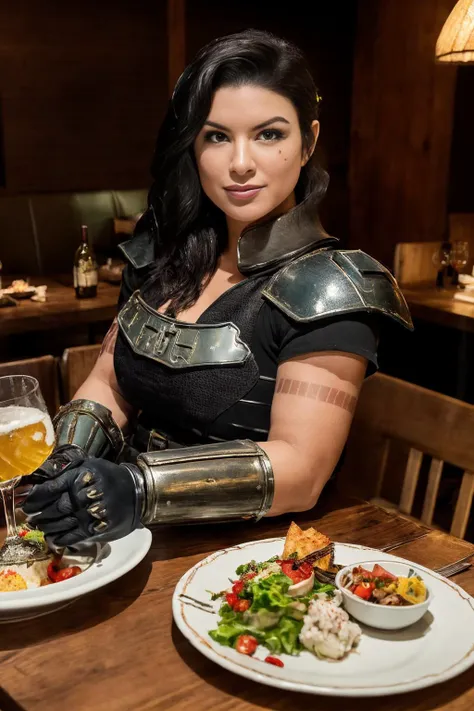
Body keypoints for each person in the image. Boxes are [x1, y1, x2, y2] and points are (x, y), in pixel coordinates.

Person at [23, 29, 412, 547]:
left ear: (309, 142)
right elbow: (108, 381)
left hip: (241, 559)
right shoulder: (164, 253)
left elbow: (301, 471)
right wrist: (68, 458)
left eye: (269, 134)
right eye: (217, 136)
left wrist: (138, 488)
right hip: (117, 537)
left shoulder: (329, 287)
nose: (240, 163)